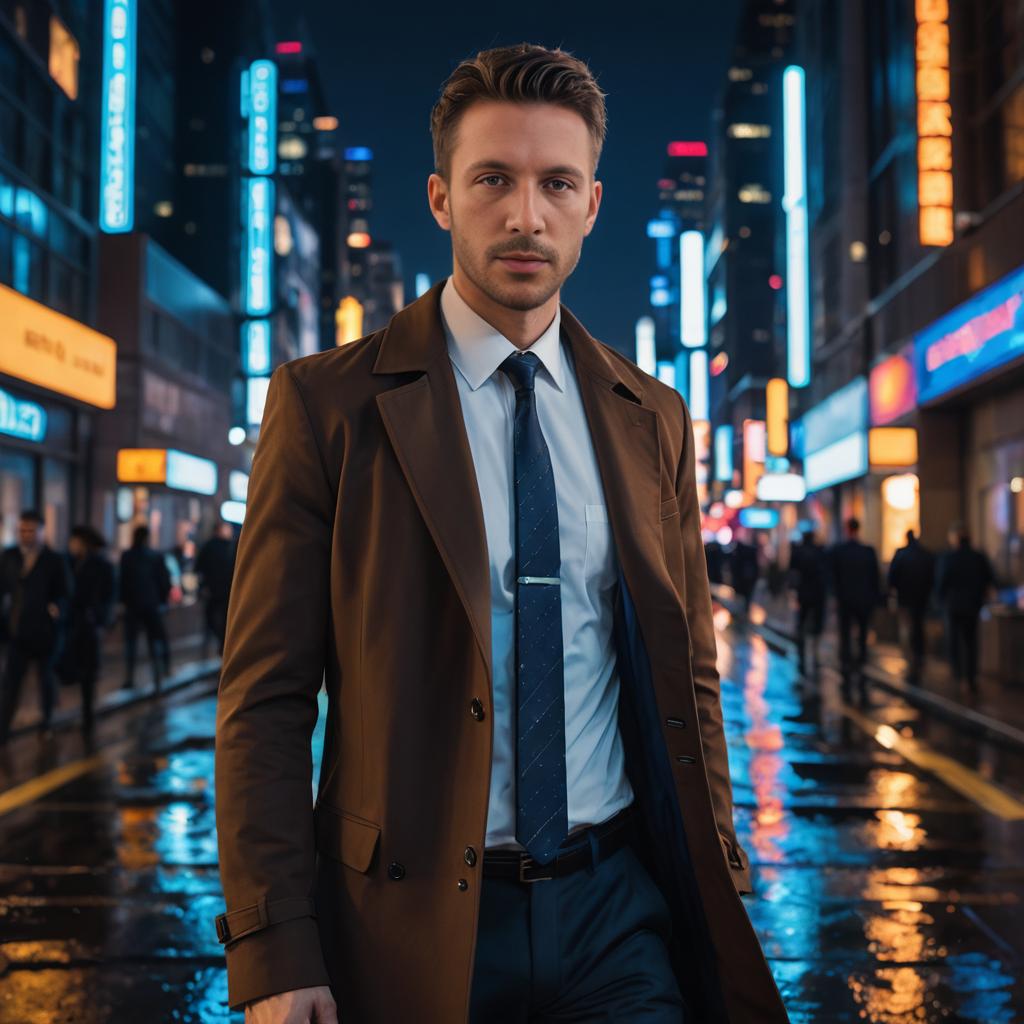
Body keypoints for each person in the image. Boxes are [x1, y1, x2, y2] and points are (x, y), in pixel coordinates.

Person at [213, 45, 787, 1024]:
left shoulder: (649, 413)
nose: (526, 214)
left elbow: (686, 665)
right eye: (494, 180)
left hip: (616, 907)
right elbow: (265, 698)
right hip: (409, 918)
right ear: (440, 198)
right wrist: (274, 947)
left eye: (556, 183)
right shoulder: (329, 404)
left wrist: (716, 859)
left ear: (592, 205)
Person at [0, 510, 70, 742]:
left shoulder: (54, 560)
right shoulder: (9, 556)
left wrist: (56, 611)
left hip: (45, 632)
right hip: (17, 631)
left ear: (41, 531)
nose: (25, 535)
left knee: (45, 679)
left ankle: (46, 722)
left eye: (30, 530)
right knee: (11, 683)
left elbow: (65, 593)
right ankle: (3, 729)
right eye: (22, 530)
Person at [61, 526, 116, 734]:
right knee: (70, 669)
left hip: (89, 626)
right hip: (71, 625)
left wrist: (99, 618)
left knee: (88, 673)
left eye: (74, 541)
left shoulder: (101, 565)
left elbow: (109, 596)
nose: (71, 545)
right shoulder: (69, 562)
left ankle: (87, 716)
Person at [935, 522, 994, 692]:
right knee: (971, 641)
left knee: (954, 640)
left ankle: (958, 674)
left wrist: (940, 602)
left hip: (953, 606)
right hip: (973, 605)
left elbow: (942, 582)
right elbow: (989, 579)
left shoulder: (949, 558)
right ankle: (971, 676)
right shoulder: (978, 557)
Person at [118, 525, 171, 690]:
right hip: (151, 605)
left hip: (133, 606)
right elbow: (164, 581)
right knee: (154, 642)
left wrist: (123, 601)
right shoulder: (155, 556)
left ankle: (130, 678)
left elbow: (121, 582)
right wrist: (162, 600)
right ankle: (158, 677)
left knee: (131, 645)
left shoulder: (127, 556)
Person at [829, 517, 880, 679]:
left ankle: (846, 660)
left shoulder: (839, 551)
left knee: (845, 631)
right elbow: (875, 577)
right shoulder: (868, 551)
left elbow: (833, 577)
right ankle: (861, 659)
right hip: (863, 599)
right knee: (863, 630)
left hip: (845, 599)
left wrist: (835, 597)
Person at [887, 529, 935, 680]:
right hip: (921, 598)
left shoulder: (901, 554)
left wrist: (893, 592)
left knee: (907, 628)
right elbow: (932, 577)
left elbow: (892, 577)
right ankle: (919, 655)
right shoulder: (926, 555)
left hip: (905, 599)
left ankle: (910, 656)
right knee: (919, 626)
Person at [788, 529, 828, 676]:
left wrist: (793, 591)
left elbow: (792, 573)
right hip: (818, 593)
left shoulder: (798, 552)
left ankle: (802, 654)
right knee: (816, 625)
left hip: (803, 594)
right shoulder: (820, 551)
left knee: (802, 625)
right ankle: (815, 655)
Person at [195, 521, 236, 656]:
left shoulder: (208, 546)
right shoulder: (230, 547)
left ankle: (218, 646)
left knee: (211, 620)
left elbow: (198, 568)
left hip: (213, 591)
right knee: (224, 621)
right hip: (226, 592)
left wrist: (203, 586)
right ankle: (222, 645)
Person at [729, 529, 760, 613]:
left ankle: (741, 614)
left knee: (742, 599)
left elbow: (733, 567)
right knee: (745, 599)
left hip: (743, 581)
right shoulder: (751, 551)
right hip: (746, 581)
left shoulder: (740, 551)